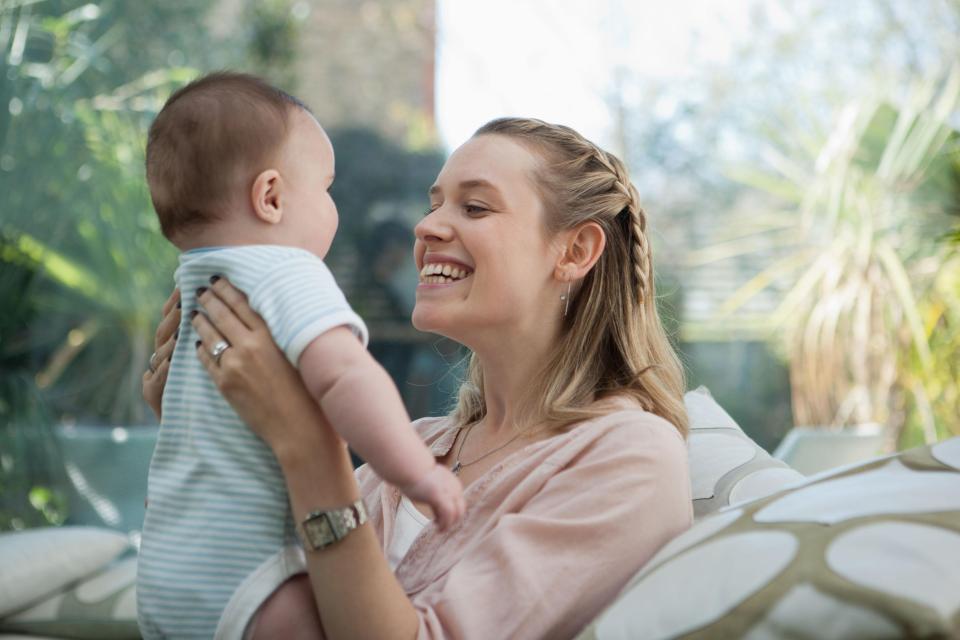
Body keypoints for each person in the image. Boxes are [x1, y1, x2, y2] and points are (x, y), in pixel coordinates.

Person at [144, 116, 694, 639]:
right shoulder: (422, 444)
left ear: (576, 250)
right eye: (433, 206)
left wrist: (308, 441)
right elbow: (270, 589)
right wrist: (209, 425)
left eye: (475, 207)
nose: (426, 227)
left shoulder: (629, 456)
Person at [137, 72, 464, 640]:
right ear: (271, 197)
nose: (333, 207)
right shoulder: (288, 269)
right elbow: (344, 377)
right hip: (254, 580)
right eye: (327, 189)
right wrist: (416, 473)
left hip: (167, 574)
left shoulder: (195, 279)